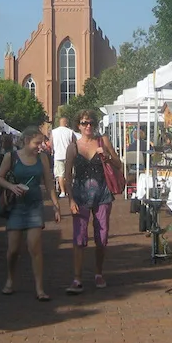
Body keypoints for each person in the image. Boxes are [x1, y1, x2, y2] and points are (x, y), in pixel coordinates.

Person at [0, 126, 61, 300]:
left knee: (35, 247)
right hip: (16, 206)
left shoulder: (42, 158)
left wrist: (55, 205)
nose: (39, 146)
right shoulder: (12, 157)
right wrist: (12, 187)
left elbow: (48, 182)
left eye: (41, 143)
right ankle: (10, 278)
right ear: (26, 140)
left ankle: (39, 288)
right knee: (13, 250)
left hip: (34, 205)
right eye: (36, 143)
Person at [62, 109, 123, 294]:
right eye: (83, 123)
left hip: (102, 194)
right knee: (79, 237)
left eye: (90, 123)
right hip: (80, 195)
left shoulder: (102, 141)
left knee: (102, 237)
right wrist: (70, 199)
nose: (88, 126)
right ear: (78, 126)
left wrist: (106, 156)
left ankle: (98, 273)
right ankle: (77, 278)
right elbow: (67, 175)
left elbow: (118, 164)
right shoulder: (73, 147)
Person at [50, 116, 77, 198]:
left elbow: (51, 142)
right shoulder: (70, 131)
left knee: (60, 174)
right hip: (69, 155)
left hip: (58, 155)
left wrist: (53, 150)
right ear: (66, 123)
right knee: (69, 174)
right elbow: (74, 143)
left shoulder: (54, 132)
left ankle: (62, 191)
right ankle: (69, 191)